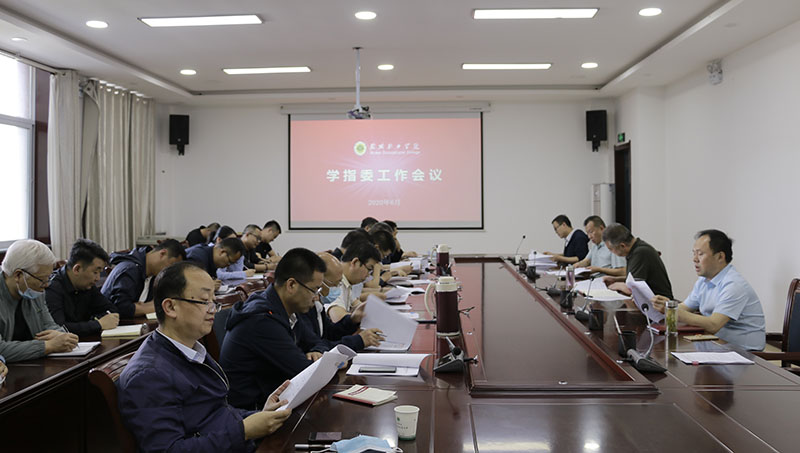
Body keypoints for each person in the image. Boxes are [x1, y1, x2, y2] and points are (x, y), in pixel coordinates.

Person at [117, 262, 291, 452]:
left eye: (213, 301)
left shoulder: (190, 349)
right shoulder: (149, 375)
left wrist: (260, 416)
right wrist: (244, 431)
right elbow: (168, 449)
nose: (212, 309)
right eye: (204, 301)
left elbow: (217, 414)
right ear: (170, 307)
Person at [221, 248, 330, 409]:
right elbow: (305, 372)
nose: (316, 297)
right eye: (314, 290)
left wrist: (317, 351)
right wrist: (328, 361)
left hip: (274, 399)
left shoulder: (286, 309)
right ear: (291, 285)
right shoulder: (262, 321)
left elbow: (318, 342)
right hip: (253, 412)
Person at [651, 230, 766, 350]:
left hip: (744, 353)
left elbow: (714, 325)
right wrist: (664, 306)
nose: (695, 259)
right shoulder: (703, 281)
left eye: (700, 254)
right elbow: (684, 308)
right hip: (716, 345)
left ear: (720, 256)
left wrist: (673, 311)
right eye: (694, 254)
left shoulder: (734, 285)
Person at [0, 239, 78, 362]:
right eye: (42, 279)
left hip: (33, 362)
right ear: (18, 275)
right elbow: (1, 350)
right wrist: (48, 346)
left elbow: (49, 325)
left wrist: (62, 336)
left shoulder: (34, 290)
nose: (46, 285)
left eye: (48, 278)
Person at [301, 253, 383, 351]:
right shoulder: (302, 309)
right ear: (320, 281)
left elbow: (330, 333)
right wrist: (358, 341)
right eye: (335, 284)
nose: (338, 287)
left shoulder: (317, 305)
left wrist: (352, 320)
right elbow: (315, 345)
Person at [46, 239, 119, 337]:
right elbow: (59, 328)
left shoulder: (87, 285)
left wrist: (96, 321)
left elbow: (111, 310)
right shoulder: (52, 287)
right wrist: (98, 324)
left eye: (100, 272)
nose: (98, 278)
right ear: (77, 269)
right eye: (95, 272)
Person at [101, 239, 186, 318]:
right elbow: (121, 308)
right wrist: (152, 307)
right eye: (170, 265)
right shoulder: (130, 269)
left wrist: (143, 307)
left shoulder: (152, 275)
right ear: (162, 253)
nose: (170, 271)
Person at [601, 223, 674, 299]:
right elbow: (635, 279)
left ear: (622, 246)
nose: (611, 252)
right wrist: (615, 279)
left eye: (611, 249)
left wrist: (616, 285)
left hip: (659, 302)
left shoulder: (640, 252)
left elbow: (633, 289)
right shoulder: (636, 249)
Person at [327, 241, 382, 323]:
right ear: (355, 262)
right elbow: (338, 318)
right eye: (369, 269)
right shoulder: (335, 283)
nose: (368, 275)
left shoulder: (347, 282)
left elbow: (357, 305)